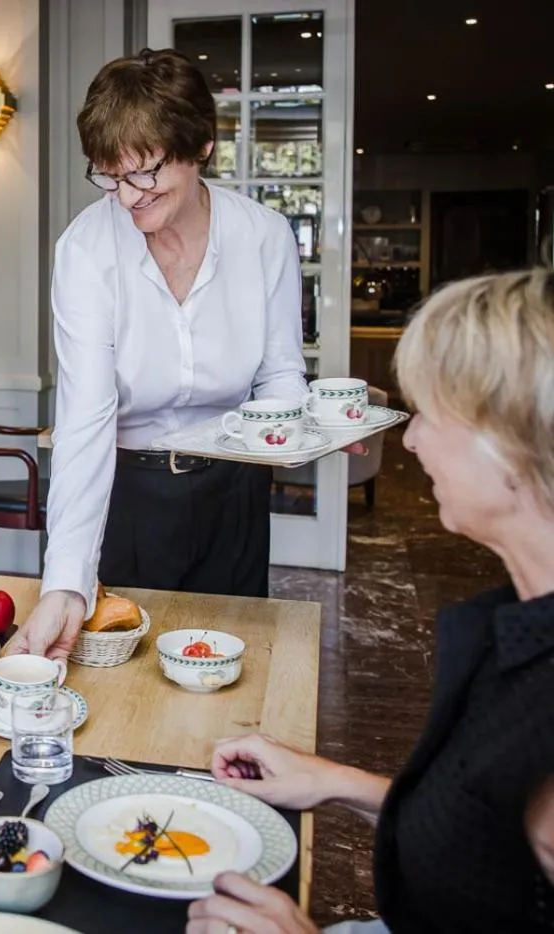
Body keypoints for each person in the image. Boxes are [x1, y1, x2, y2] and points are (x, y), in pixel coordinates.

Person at [186, 269, 554, 933]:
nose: (409, 441)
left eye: (430, 415)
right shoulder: (515, 629)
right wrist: (334, 780)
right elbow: (483, 837)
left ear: (511, 447)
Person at [7, 48, 309, 660]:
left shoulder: (264, 237)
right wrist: (65, 582)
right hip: (130, 495)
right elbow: (87, 416)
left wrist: (302, 428)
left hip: (235, 491)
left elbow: (280, 373)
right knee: (124, 680)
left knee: (232, 667)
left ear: (200, 146)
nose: (128, 197)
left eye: (144, 173)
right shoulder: (87, 250)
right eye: (111, 176)